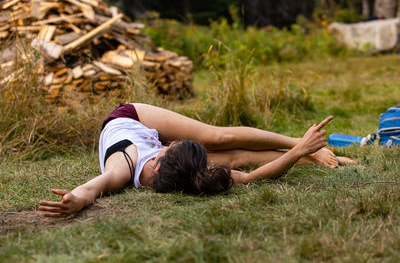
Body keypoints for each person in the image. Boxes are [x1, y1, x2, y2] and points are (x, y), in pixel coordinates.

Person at [39, 103, 356, 217]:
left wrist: (76, 198)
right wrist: (298, 155)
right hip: (134, 127)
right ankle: (312, 153)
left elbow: (94, 187)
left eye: (171, 145)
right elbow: (252, 176)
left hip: (130, 117)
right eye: (171, 146)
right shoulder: (187, 176)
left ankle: (307, 144)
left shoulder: (122, 165)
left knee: (219, 138)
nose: (171, 143)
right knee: (237, 157)